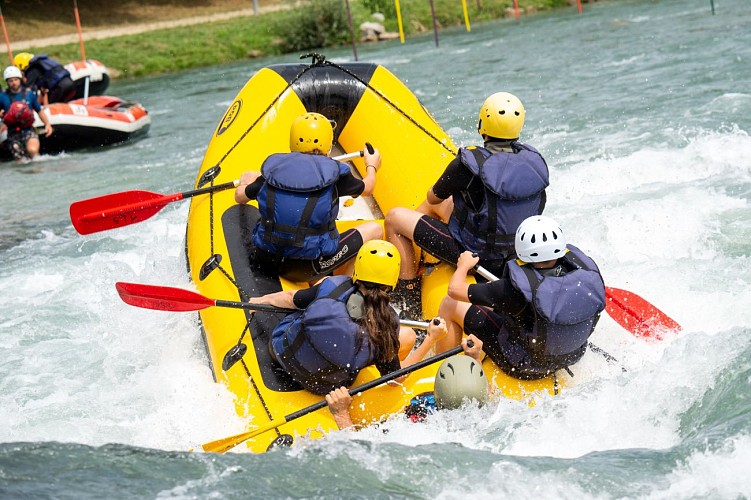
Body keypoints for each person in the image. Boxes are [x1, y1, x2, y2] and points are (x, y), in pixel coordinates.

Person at [384, 92, 550, 319]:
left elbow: (433, 198)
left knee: (394, 217)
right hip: (514, 253)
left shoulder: (468, 164)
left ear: (482, 123)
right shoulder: (533, 161)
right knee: (455, 203)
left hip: (473, 255)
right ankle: (419, 256)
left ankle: (409, 297)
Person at [249, 239, 449, 395]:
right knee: (408, 336)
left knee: (310, 305)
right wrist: (431, 338)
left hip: (281, 352)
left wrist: (260, 301)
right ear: (392, 281)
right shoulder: (388, 326)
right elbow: (396, 379)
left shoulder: (332, 285)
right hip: (323, 386)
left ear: (358, 268)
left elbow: (290, 298)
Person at [435, 215, 606, 381]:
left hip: (523, 365)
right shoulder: (586, 276)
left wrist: (463, 266)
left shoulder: (510, 289)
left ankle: (445, 373)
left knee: (451, 304)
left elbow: (455, 290)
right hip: (570, 357)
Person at [235, 111, 383, 283]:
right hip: (306, 268)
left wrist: (248, 182)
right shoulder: (336, 175)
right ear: (328, 145)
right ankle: (342, 287)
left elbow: (240, 197)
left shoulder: (272, 173)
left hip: (266, 260)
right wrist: (372, 164)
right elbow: (368, 188)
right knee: (375, 229)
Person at [326, 335, 488, 429]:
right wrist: (474, 358)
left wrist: (341, 414)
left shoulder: (415, 427)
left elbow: (360, 455)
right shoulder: (489, 417)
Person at [0, 66, 53, 160]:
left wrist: (47, 124)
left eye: (16, 80)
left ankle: (38, 171)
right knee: (20, 159)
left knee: (32, 150)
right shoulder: (2, 97)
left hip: (29, 130)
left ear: (20, 80)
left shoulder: (29, 95)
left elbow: (39, 110)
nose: (13, 83)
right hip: (13, 133)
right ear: (7, 82)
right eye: (10, 81)